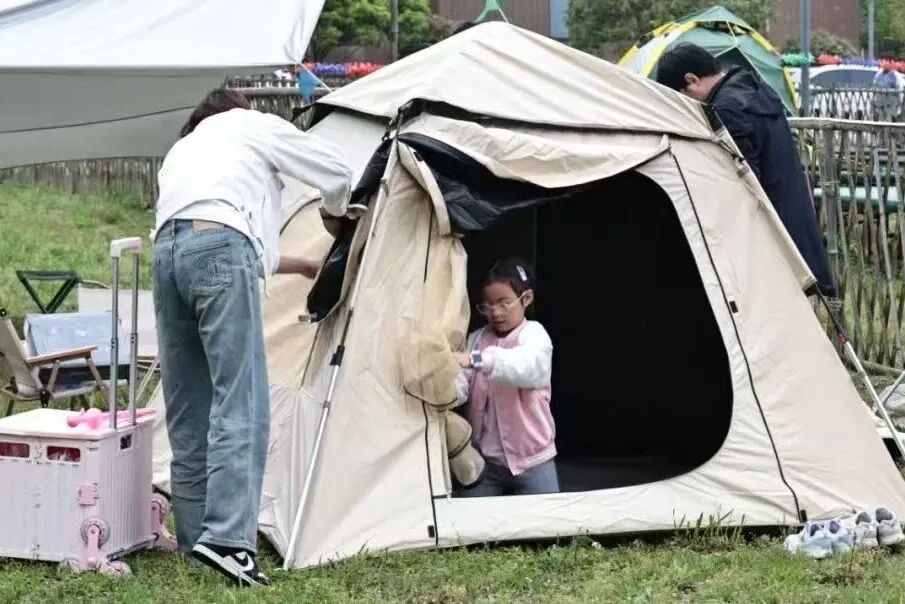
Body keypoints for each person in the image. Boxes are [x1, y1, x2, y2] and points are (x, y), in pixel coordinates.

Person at [153, 89, 352, 586]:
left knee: (188, 405)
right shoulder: (248, 123)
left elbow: (205, 240)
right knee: (240, 398)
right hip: (219, 246)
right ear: (238, 107)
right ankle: (228, 542)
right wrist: (334, 214)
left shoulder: (183, 151)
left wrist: (302, 264)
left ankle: (196, 539)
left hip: (166, 257)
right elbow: (336, 171)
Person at [655, 44, 835, 296]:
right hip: (794, 221)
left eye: (682, 97)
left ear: (692, 80)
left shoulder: (727, 109)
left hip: (768, 235)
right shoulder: (756, 88)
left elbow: (745, 183)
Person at [454, 258, 558, 497]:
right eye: (488, 305)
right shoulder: (476, 339)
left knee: (547, 519)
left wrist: (478, 360)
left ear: (526, 299)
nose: (495, 312)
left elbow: (526, 367)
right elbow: (460, 386)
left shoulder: (535, 336)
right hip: (485, 463)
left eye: (504, 303)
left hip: (533, 462)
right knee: (470, 518)